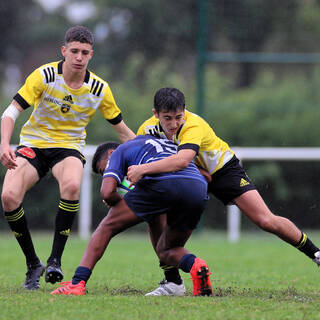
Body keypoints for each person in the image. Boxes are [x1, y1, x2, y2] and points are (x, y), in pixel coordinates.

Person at [128, 87, 320, 296]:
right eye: (167, 118)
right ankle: (173, 282)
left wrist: (143, 170)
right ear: (155, 114)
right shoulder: (146, 129)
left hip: (223, 171)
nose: (174, 124)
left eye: (178, 117)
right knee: (156, 218)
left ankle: (316, 253)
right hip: (189, 177)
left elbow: (181, 160)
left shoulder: (193, 124)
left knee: (265, 219)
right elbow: (144, 158)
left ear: (185, 111)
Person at [0, 25, 136, 290]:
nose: (78, 57)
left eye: (84, 52)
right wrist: (4, 144)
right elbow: (10, 111)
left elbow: (122, 131)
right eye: (74, 51)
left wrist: (151, 154)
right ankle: (33, 264)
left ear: (91, 55)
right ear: (64, 51)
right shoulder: (45, 75)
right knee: (8, 197)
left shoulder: (99, 89)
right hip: (34, 145)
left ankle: (55, 260)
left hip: (68, 147)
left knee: (73, 185)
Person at [50, 135, 212, 296]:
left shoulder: (119, 152)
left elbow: (106, 192)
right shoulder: (163, 143)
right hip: (197, 189)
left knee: (107, 227)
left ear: (110, 154)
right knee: (167, 249)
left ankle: (77, 283)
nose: (108, 174)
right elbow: (206, 176)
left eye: (104, 170)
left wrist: (116, 200)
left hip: (162, 186)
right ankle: (195, 266)